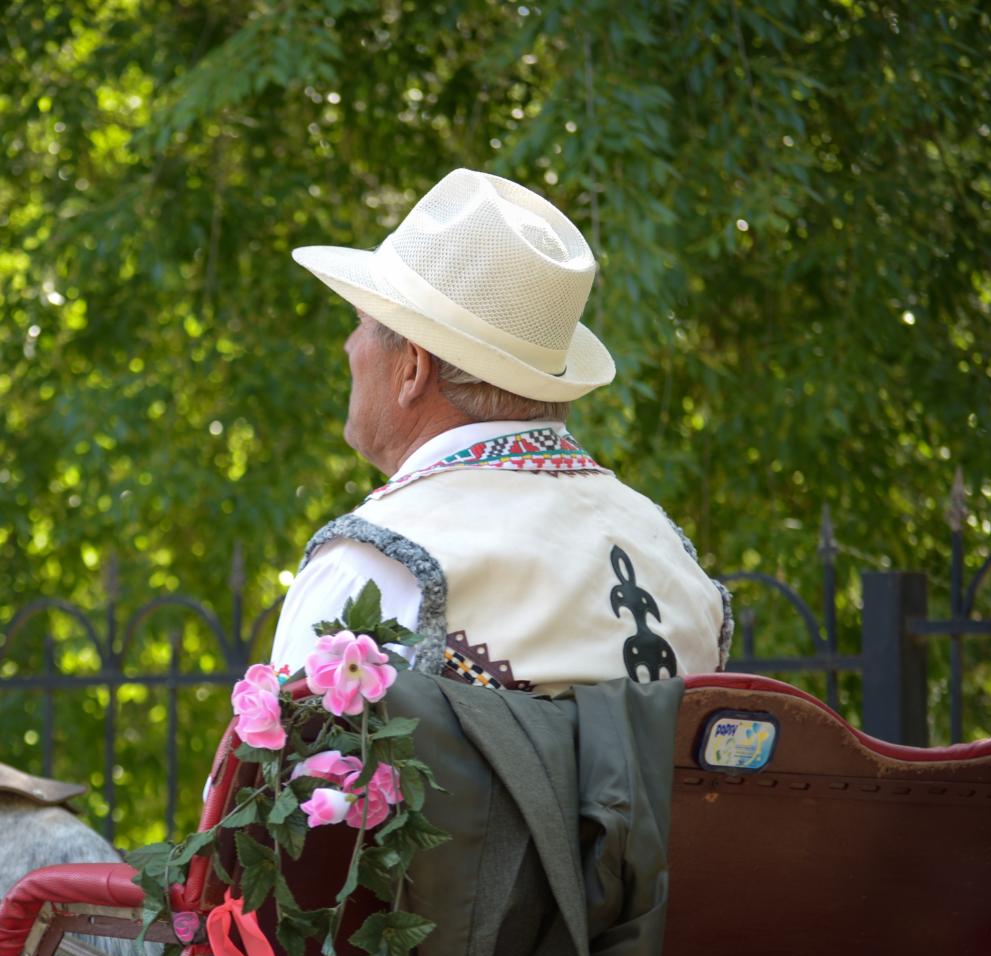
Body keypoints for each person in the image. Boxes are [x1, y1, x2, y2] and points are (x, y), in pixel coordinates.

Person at [272, 168, 730, 691]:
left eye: (359, 322)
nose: (348, 349)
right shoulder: (674, 562)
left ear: (414, 369)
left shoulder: (373, 566)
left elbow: (279, 770)